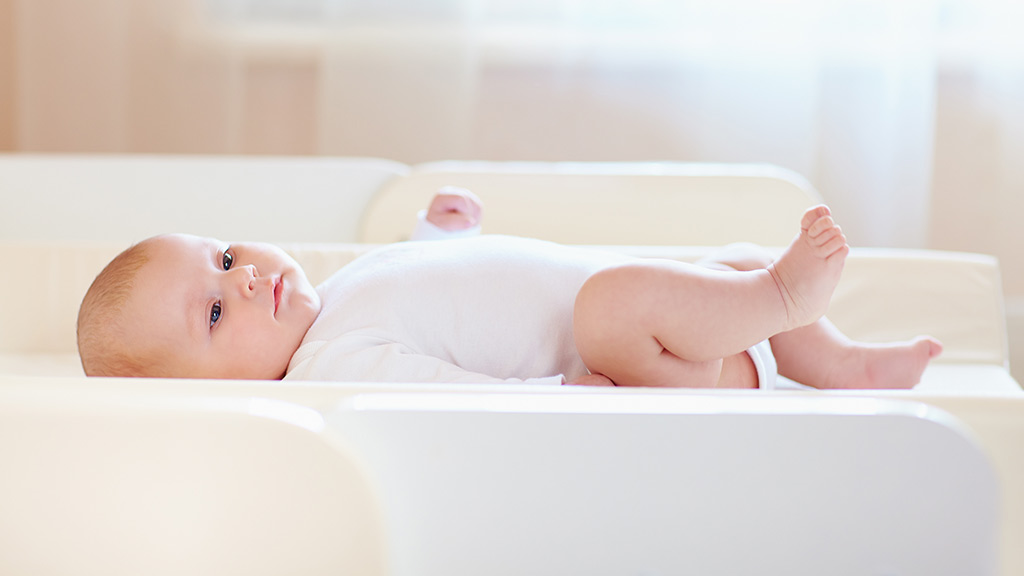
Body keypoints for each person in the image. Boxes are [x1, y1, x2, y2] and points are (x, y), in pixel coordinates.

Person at [76, 187, 942, 389]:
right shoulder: (334, 365)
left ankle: (844, 365)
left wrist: (443, 238)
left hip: (683, 329)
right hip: (637, 365)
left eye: (224, 255)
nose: (248, 273)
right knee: (613, 297)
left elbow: (445, 292)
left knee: (731, 256)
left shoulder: (333, 297)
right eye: (218, 309)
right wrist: (559, 396)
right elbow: (454, 393)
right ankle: (785, 306)